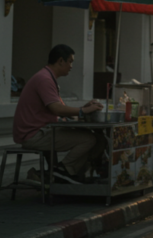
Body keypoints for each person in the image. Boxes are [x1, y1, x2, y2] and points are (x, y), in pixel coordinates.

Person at [14, 44, 104, 183]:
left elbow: (62, 109)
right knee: (89, 139)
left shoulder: (48, 78)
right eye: (70, 62)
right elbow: (56, 109)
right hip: (34, 134)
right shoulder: (44, 79)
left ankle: (67, 174)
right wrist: (83, 111)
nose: (71, 66)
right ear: (61, 61)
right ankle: (63, 171)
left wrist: (83, 108)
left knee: (100, 140)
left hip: (43, 130)